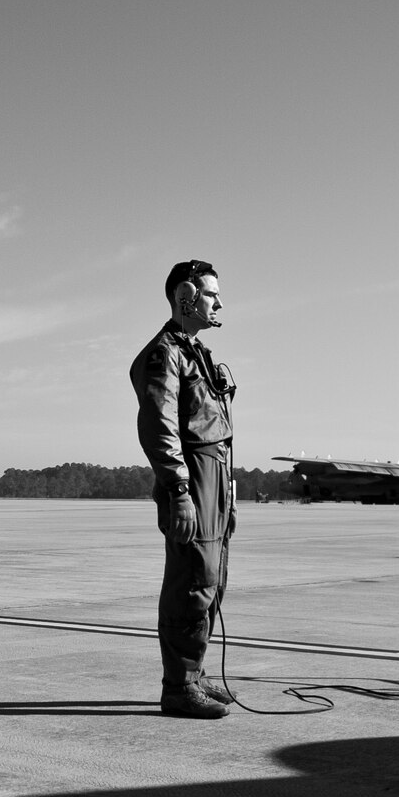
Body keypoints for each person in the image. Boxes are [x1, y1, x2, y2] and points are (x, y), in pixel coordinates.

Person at [129, 259, 238, 718]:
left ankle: (194, 673)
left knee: (212, 580)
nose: (219, 302)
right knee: (191, 580)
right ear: (186, 297)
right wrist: (178, 489)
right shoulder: (165, 353)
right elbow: (159, 425)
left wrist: (225, 491)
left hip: (214, 473)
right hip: (191, 473)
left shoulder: (196, 352)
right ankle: (178, 687)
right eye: (211, 294)